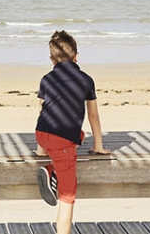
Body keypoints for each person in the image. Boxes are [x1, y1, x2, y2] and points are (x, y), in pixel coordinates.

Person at [33, 30, 109, 233]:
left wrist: (41, 150)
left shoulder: (46, 79)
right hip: (62, 142)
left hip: (42, 134)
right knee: (67, 199)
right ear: (76, 56)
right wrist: (98, 147)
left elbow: (41, 112)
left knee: (78, 136)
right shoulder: (86, 80)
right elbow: (93, 117)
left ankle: (51, 169)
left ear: (52, 60)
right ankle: (52, 170)